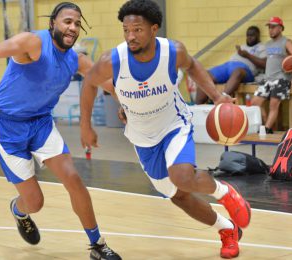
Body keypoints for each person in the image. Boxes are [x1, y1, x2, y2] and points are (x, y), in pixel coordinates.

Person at [80, 0, 251, 258]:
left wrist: (217, 97)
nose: (130, 36)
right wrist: (86, 125)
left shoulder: (173, 52)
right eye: (126, 30)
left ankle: (225, 192)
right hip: (141, 135)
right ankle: (226, 229)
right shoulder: (113, 60)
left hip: (174, 124)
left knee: (182, 175)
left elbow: (193, 66)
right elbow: (90, 84)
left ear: (154, 29)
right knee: (177, 195)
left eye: (137, 29)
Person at [0, 2, 121, 260]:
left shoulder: (76, 58)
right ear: (53, 23)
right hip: (6, 125)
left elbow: (108, 83)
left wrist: (129, 105)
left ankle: (97, 245)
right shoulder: (33, 43)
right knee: (35, 203)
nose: (72, 27)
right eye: (67, 21)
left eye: (77, 23)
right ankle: (19, 211)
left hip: (40, 122)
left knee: (73, 178)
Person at [251, 17, 292, 134]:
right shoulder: (268, 44)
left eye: (273, 27)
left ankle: (267, 129)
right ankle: (265, 125)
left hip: (281, 79)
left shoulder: (287, 42)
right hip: (267, 78)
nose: (270, 30)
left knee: (274, 105)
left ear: (280, 28)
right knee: (255, 103)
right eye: (269, 27)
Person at [196, 26, 266, 104]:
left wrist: (247, 55)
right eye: (248, 35)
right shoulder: (242, 46)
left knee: (238, 71)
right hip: (229, 65)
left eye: (252, 35)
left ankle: (221, 100)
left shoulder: (262, 47)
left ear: (258, 36)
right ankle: (197, 106)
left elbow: (264, 64)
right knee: (206, 74)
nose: (249, 38)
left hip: (245, 70)